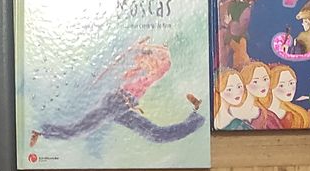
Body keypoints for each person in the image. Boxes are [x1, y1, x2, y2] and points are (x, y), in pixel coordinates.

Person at [29, 40, 205, 146]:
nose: (139, 60)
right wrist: (139, 50)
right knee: (81, 128)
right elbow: (132, 62)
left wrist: (151, 48)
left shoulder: (158, 67)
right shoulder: (138, 71)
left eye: (144, 57)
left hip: (122, 105)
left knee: (156, 134)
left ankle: (195, 119)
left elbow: (163, 59)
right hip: (117, 103)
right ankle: (42, 131)